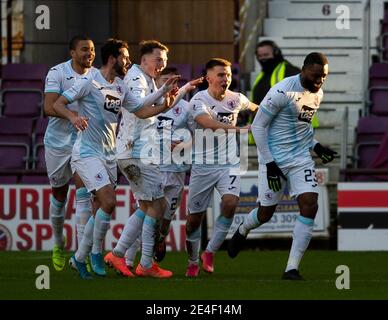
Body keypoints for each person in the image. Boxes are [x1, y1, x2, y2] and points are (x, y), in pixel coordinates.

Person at [53, 38, 178, 279]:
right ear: (112, 59)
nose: (128, 61)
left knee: (104, 206)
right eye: (125, 57)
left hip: (109, 154)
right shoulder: (88, 81)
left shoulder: (120, 85)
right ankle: (97, 256)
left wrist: (164, 101)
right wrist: (73, 118)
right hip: (87, 152)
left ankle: (80, 257)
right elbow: (58, 103)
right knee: (109, 201)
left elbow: (140, 109)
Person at [227, 52, 337, 280]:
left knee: (310, 204)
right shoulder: (282, 91)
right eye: (316, 76)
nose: (319, 81)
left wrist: (316, 146)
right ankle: (243, 229)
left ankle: (291, 268)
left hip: (300, 159)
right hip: (273, 160)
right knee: (266, 213)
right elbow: (258, 127)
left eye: (324, 77)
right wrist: (270, 163)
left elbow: (302, 127)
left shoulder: (318, 94)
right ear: (304, 70)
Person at [108, 67, 201, 273]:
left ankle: (145, 250)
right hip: (150, 165)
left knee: (162, 219)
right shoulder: (149, 104)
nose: (169, 83)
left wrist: (185, 144)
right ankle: (131, 261)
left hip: (176, 170)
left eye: (172, 80)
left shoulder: (184, 107)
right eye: (164, 79)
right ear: (157, 82)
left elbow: (199, 137)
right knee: (147, 209)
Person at [103, 40, 181, 279]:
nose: (161, 65)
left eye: (164, 62)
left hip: (135, 151)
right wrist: (162, 93)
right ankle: (144, 263)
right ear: (144, 59)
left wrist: (165, 102)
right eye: (158, 60)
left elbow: (146, 112)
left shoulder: (144, 79)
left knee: (149, 206)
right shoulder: (136, 79)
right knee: (158, 206)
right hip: (136, 152)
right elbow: (138, 108)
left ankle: (119, 255)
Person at [184, 58, 258, 277]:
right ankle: (192, 261)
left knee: (230, 203)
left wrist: (267, 114)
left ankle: (210, 252)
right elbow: (208, 123)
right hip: (203, 165)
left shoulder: (237, 99)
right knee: (193, 220)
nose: (226, 79)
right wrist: (240, 129)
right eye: (220, 75)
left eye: (227, 74)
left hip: (229, 163)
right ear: (208, 78)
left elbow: (255, 107)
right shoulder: (199, 99)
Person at [43, 35, 96, 272]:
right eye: (84, 49)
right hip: (57, 143)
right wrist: (72, 117)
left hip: (84, 144)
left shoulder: (97, 77)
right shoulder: (57, 72)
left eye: (92, 50)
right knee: (59, 196)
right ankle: (57, 242)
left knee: (83, 193)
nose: (89, 53)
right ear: (72, 53)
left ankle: (81, 255)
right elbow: (48, 106)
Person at [244, 40, 318, 143]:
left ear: (276, 53)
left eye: (266, 55)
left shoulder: (290, 71)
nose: (262, 58)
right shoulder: (261, 77)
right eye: (259, 56)